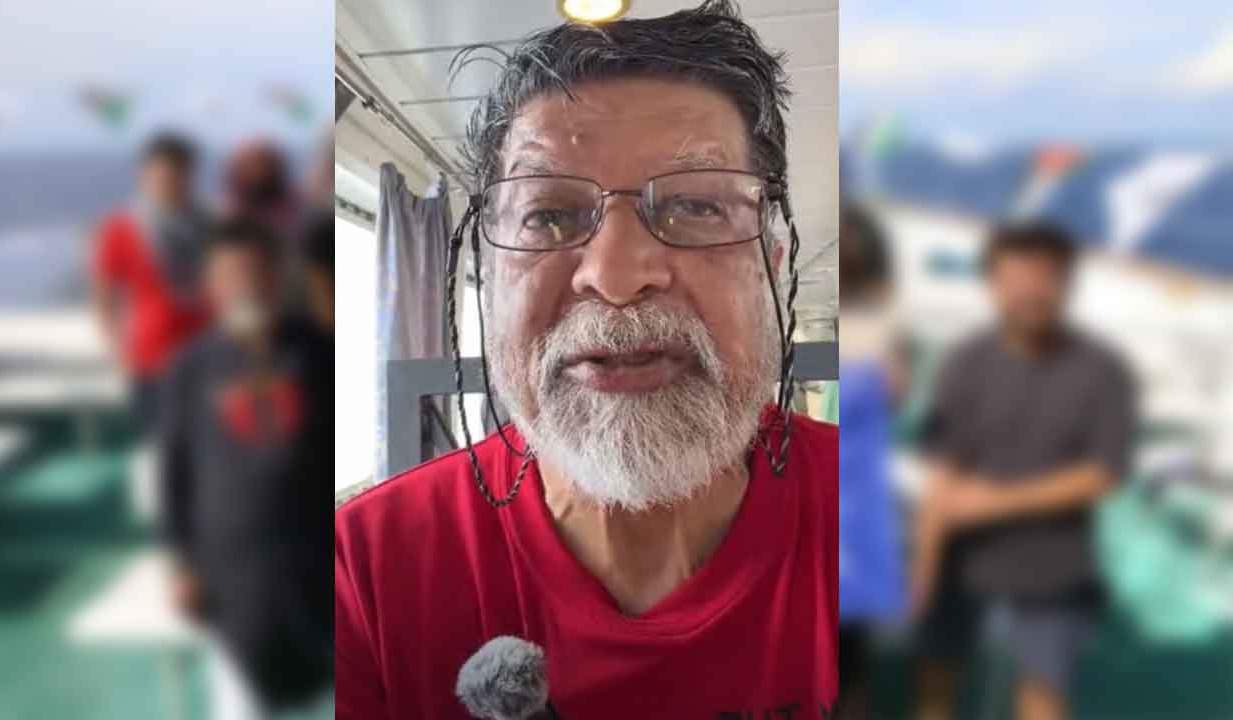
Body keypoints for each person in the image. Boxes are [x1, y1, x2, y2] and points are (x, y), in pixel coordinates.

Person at [335, 2, 838, 717]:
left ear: (772, 265)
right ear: (490, 274)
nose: (616, 275)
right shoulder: (359, 576)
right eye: (548, 215)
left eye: (697, 207)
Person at [911, 223, 1136, 720]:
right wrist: (924, 566)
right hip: (962, 557)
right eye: (1016, 280)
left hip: (1053, 560)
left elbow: (1104, 471)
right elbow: (944, 469)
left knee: (1043, 695)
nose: (1030, 293)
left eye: (1044, 279)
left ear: (1066, 283)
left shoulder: (1102, 370)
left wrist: (989, 503)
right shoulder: (967, 362)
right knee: (934, 683)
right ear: (993, 285)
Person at [159, 218, 333, 718]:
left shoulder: (320, 353)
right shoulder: (191, 367)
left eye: (254, 273)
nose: (245, 286)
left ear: (275, 276)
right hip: (230, 578)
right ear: (212, 284)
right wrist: (182, 564)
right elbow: (175, 471)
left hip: (313, 572)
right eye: (231, 275)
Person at [836, 205, 907, 720]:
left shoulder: (880, 330)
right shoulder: (811, 326)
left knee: (848, 651)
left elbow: (894, 390)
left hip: (853, 515)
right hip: (820, 501)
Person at [91, 131, 210, 426]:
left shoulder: (212, 224)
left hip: (209, 356)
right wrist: (120, 354)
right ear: (144, 175)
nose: (168, 183)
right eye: (160, 175)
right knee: (164, 442)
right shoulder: (121, 229)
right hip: (152, 360)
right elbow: (105, 298)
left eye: (177, 176)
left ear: (190, 176)